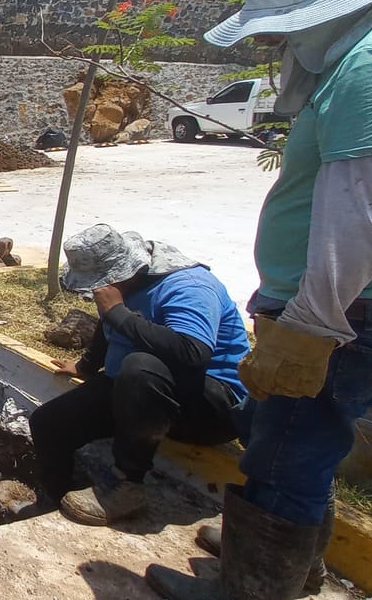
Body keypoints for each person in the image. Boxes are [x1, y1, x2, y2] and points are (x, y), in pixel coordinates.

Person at [146, 0, 372, 600]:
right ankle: (293, 566)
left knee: (285, 457)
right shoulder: (368, 52)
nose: (274, 44)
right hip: (353, 306)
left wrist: (310, 324)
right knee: (301, 447)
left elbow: (365, 211)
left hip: (343, 312)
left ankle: (250, 588)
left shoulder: (368, 66)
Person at [29, 224, 249, 527]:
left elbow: (193, 353)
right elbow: (111, 327)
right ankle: (54, 502)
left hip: (209, 407)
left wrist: (118, 312)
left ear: (126, 270)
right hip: (143, 394)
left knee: (140, 365)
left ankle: (126, 485)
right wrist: (85, 366)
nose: (97, 292)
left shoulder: (189, 286)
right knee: (48, 422)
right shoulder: (126, 286)